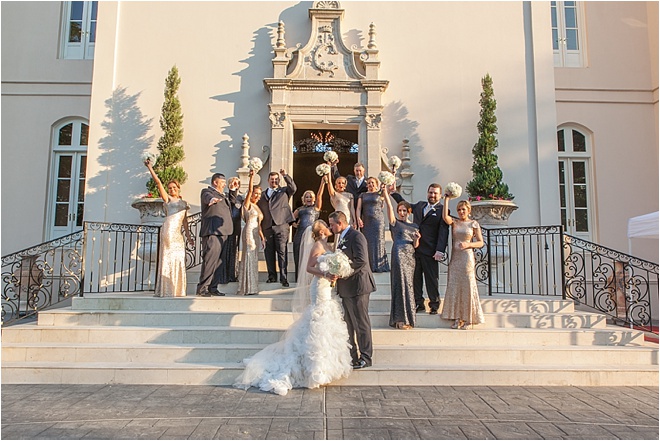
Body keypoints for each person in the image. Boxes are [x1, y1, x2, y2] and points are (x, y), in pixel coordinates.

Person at [233, 220, 352, 396]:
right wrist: (325, 274)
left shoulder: (327, 244)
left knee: (326, 318)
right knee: (318, 318)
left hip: (327, 286)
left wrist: (334, 273)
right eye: (326, 226)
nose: (329, 227)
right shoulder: (318, 245)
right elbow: (309, 268)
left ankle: (324, 367)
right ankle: (313, 368)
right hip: (319, 287)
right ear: (321, 232)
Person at [328, 210, 376, 369]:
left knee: (361, 323)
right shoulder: (340, 237)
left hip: (358, 285)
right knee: (349, 322)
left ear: (340, 223)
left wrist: (341, 272)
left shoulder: (357, 236)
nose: (331, 227)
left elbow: (361, 260)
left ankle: (366, 357)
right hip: (346, 287)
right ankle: (353, 356)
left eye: (332, 224)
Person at [144, 158, 193, 297]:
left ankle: (177, 289)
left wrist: (189, 237)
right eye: (170, 188)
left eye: (174, 188)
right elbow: (158, 183)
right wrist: (150, 168)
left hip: (178, 234)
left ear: (178, 189)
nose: (172, 190)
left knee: (178, 257)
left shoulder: (184, 203)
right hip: (168, 231)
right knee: (168, 257)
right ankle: (166, 289)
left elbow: (185, 221)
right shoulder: (168, 200)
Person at [440, 197, 486, 329]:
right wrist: (447, 199)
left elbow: (481, 242)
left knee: (467, 286)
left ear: (469, 210)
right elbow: (445, 217)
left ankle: (469, 318)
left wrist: (468, 244)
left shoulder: (473, 224)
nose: (461, 212)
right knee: (455, 286)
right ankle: (457, 317)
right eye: (459, 210)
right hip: (455, 258)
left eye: (463, 209)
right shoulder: (455, 222)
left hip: (467, 258)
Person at [383, 185, 420, 329]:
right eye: (400, 211)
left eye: (404, 210)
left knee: (409, 286)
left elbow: (416, 245)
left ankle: (408, 319)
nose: (402, 213)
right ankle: (399, 320)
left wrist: (417, 238)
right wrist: (386, 193)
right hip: (398, 254)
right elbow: (389, 208)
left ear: (409, 212)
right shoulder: (395, 223)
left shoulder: (415, 226)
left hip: (410, 256)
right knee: (400, 285)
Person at [196, 172, 239, 297]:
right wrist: (212, 200)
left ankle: (213, 287)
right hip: (213, 231)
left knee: (220, 262)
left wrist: (232, 190)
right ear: (215, 182)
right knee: (210, 260)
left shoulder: (224, 195)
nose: (225, 184)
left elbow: (232, 202)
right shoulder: (207, 191)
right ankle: (202, 288)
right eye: (223, 182)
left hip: (225, 232)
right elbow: (207, 197)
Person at [411, 183, 450, 314]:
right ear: (427, 192)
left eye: (435, 193)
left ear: (440, 195)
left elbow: (443, 232)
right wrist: (393, 193)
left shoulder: (442, 210)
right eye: (430, 192)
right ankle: (418, 303)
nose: (432, 195)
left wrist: (440, 250)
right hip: (416, 249)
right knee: (416, 279)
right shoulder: (420, 205)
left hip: (431, 251)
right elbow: (404, 205)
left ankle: (434, 304)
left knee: (431, 279)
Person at [257, 169, 297, 288]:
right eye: (272, 179)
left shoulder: (284, 191)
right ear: (268, 180)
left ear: (279, 181)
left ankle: (283, 277)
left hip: (281, 225)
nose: (274, 181)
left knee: (282, 252)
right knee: (268, 253)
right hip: (267, 226)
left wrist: (285, 175)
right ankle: (271, 276)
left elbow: (293, 187)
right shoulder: (262, 194)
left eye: (276, 180)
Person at [237, 170, 265, 296]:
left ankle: (252, 287)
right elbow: (248, 191)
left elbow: (259, 225)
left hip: (256, 234)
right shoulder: (248, 204)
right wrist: (251, 178)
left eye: (259, 194)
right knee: (248, 256)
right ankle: (246, 287)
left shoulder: (258, 207)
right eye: (256, 193)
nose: (257, 196)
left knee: (253, 258)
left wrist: (262, 238)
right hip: (248, 232)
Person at [292, 179, 325, 283]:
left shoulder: (316, 208)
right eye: (307, 196)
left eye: (310, 196)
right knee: (299, 256)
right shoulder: (300, 209)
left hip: (312, 235)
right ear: (304, 199)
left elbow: (320, 195)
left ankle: (311, 278)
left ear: (313, 198)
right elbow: (290, 219)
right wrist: (294, 224)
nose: (308, 198)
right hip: (300, 234)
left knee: (311, 256)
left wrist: (322, 183)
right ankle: (299, 279)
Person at [356, 177, 390, 273]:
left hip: (378, 221)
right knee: (367, 241)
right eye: (369, 183)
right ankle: (369, 265)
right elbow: (358, 208)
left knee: (378, 241)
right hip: (366, 221)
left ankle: (379, 265)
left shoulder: (380, 193)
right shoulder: (362, 195)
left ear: (376, 184)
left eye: (372, 183)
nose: (371, 184)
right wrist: (358, 218)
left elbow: (391, 188)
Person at [219, 176, 242, 284]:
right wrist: (232, 190)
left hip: (236, 228)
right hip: (225, 228)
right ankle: (223, 276)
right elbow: (231, 202)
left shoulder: (240, 198)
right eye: (233, 183)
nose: (235, 185)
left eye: (237, 183)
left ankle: (232, 275)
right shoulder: (225, 196)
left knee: (234, 252)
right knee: (225, 252)